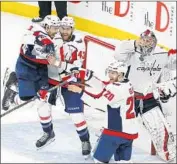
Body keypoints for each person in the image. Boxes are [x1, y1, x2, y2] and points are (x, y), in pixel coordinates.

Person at [2, 16, 92, 158]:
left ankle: (85, 140)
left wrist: (60, 65)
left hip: (69, 80)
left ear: (73, 29)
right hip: (50, 78)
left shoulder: (79, 43)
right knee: (41, 105)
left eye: (68, 28)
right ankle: (48, 133)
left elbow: (76, 67)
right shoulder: (50, 38)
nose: (64, 31)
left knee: (76, 114)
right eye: (61, 28)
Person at [113, 29, 176, 161]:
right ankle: (106, 151)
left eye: (150, 41)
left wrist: (165, 88)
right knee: (119, 129)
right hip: (129, 98)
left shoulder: (161, 55)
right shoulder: (130, 54)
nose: (147, 43)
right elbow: (118, 54)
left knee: (160, 130)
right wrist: (135, 44)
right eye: (144, 40)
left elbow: (171, 67)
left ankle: (168, 155)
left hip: (149, 99)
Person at [2, 14, 60, 147]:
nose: (55, 31)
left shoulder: (34, 28)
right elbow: (51, 60)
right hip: (29, 69)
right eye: (53, 28)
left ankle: (48, 132)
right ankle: (13, 91)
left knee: (41, 102)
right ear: (46, 26)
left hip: (32, 67)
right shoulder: (44, 42)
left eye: (56, 28)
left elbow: (35, 26)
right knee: (28, 102)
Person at [67, 61, 138, 163]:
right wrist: (87, 75)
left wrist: (79, 92)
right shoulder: (127, 83)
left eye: (113, 73)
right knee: (123, 162)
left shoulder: (115, 89)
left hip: (115, 132)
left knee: (99, 160)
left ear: (121, 73)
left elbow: (98, 103)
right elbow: (105, 87)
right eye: (109, 72)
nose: (110, 75)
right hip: (130, 132)